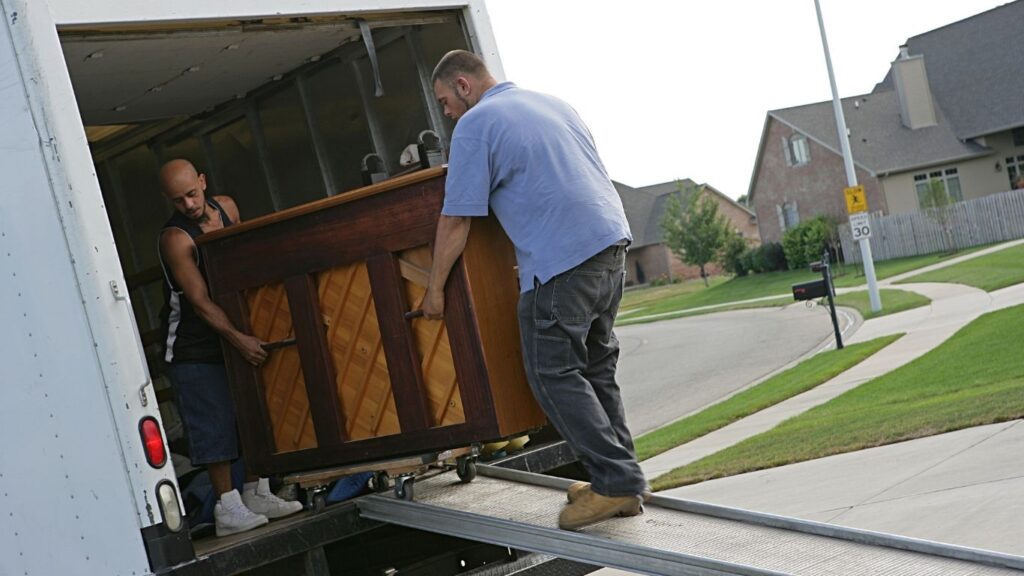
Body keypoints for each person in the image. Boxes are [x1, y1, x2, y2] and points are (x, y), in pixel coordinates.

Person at [422, 51, 648, 531]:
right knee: (595, 368)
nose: (445, 113)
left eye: (444, 101)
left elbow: (457, 218)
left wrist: (434, 289)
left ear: (463, 85)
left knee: (552, 372)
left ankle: (615, 480)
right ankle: (621, 482)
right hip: (612, 245)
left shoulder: (476, 123)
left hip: (562, 261)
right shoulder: (552, 103)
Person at [157, 159, 302, 537]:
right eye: (178, 200)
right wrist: (239, 339)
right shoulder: (176, 238)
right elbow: (201, 303)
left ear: (203, 182)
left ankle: (257, 492)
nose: (189, 205)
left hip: (235, 330)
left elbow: (244, 264)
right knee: (214, 424)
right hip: (193, 347)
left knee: (253, 412)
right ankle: (227, 507)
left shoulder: (227, 208)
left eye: (192, 194)